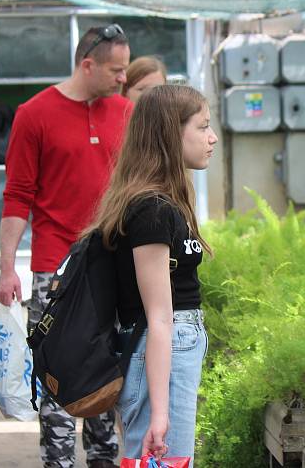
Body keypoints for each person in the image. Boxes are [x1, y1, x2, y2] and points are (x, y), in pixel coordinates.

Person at [0, 24, 132, 468]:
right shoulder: (34, 114)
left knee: (108, 378)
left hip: (112, 267)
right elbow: (17, 195)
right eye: (115, 70)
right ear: (87, 64)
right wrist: (6, 268)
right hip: (54, 271)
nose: (122, 79)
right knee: (56, 378)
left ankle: (103, 460)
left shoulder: (125, 113)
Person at [84, 85, 216, 466]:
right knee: (165, 461)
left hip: (167, 348)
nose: (212, 138)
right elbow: (158, 318)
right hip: (162, 350)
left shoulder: (161, 202)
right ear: (172, 134)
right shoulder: (152, 210)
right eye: (202, 127)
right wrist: (160, 413)